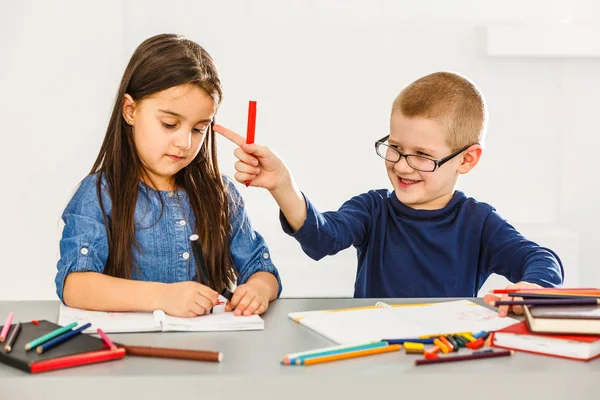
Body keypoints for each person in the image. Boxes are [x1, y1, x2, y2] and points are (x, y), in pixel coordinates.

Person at [215, 71, 562, 316]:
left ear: (466, 160)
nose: (402, 166)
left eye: (422, 155)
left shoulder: (479, 222)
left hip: (443, 359)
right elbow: (321, 237)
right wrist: (282, 185)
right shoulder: (374, 208)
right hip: (373, 356)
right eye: (395, 147)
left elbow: (542, 261)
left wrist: (534, 288)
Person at [55, 34, 281, 318]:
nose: (185, 143)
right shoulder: (100, 193)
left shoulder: (220, 193)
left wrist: (258, 289)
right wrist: (163, 296)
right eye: (169, 123)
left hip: (208, 353)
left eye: (199, 129)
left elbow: (262, 270)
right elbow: (74, 285)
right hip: (131, 354)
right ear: (130, 110)